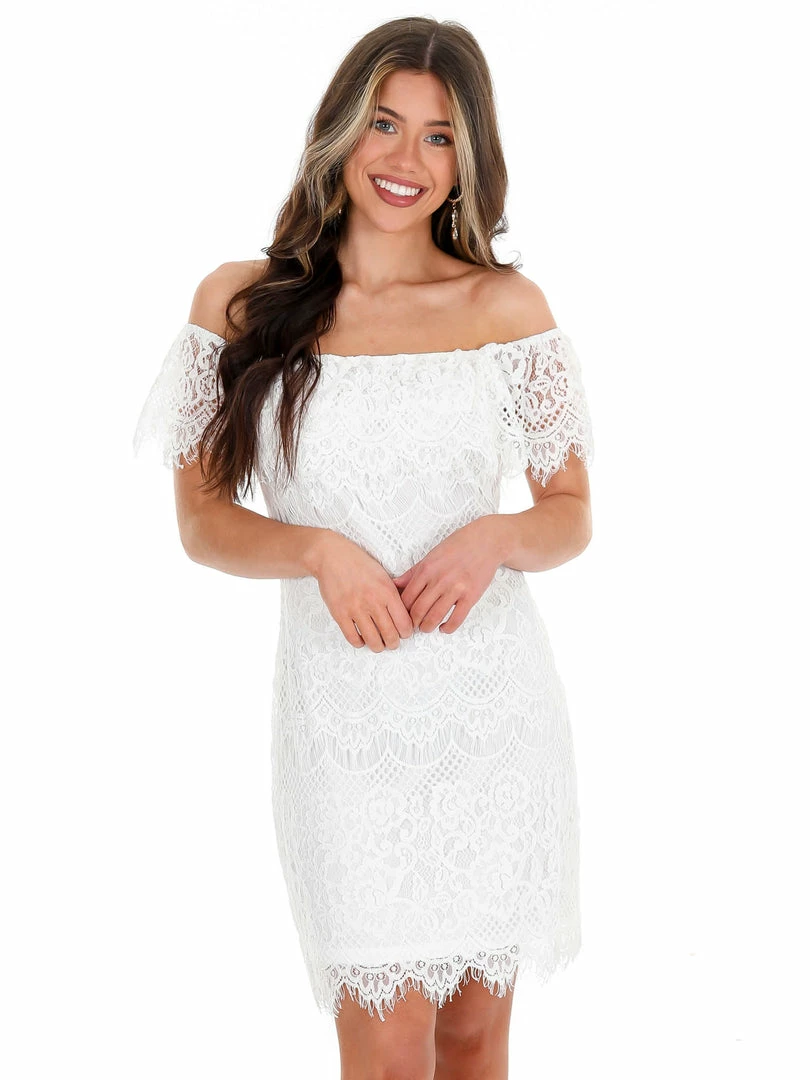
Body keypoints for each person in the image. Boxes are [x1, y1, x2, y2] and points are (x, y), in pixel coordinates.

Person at [133, 15, 595, 1080]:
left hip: (491, 716)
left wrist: (494, 538)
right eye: (385, 123)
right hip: (342, 726)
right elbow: (202, 521)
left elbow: (571, 509)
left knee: (474, 1036)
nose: (406, 159)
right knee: (385, 1049)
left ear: (468, 160)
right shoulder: (239, 304)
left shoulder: (504, 307)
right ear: (340, 128)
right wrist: (316, 552)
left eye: (439, 136)